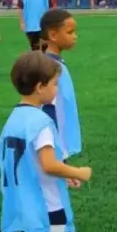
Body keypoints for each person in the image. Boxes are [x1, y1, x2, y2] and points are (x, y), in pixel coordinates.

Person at [0, 52, 117, 232]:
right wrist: (78, 171)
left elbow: (29, 161)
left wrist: (65, 175)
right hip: (47, 206)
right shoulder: (41, 122)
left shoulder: (15, 118)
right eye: (54, 84)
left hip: (27, 203)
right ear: (40, 87)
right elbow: (48, 164)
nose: (57, 90)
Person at [40, 8, 83, 157]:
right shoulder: (51, 68)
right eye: (70, 32)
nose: (75, 37)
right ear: (53, 35)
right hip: (56, 140)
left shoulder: (55, 63)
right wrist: (52, 140)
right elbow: (47, 106)